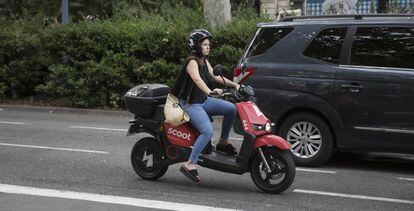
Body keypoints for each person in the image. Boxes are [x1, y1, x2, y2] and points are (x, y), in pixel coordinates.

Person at [171, 29, 240, 182]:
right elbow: (196, 79)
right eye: (205, 44)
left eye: (209, 44)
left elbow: (215, 77)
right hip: (190, 105)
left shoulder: (204, 61)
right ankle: (190, 163)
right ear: (196, 46)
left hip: (202, 101)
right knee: (207, 131)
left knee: (231, 109)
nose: (208, 47)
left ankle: (223, 142)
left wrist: (235, 85)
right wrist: (210, 92)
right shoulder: (192, 62)